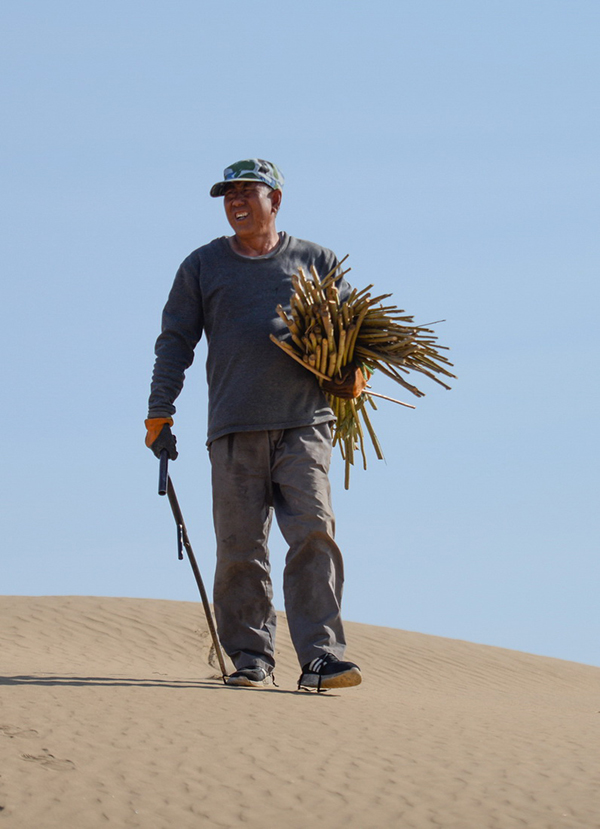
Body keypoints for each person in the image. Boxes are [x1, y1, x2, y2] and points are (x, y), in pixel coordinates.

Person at [145, 159, 367, 691]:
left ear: (276, 200)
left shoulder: (318, 261)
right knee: (241, 546)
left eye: (248, 191)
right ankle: (251, 657)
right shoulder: (202, 266)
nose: (237, 202)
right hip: (233, 425)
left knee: (314, 534)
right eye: (229, 194)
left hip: (304, 423)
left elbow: (353, 336)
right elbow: (176, 341)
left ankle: (321, 658)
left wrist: (351, 374)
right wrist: (160, 411)